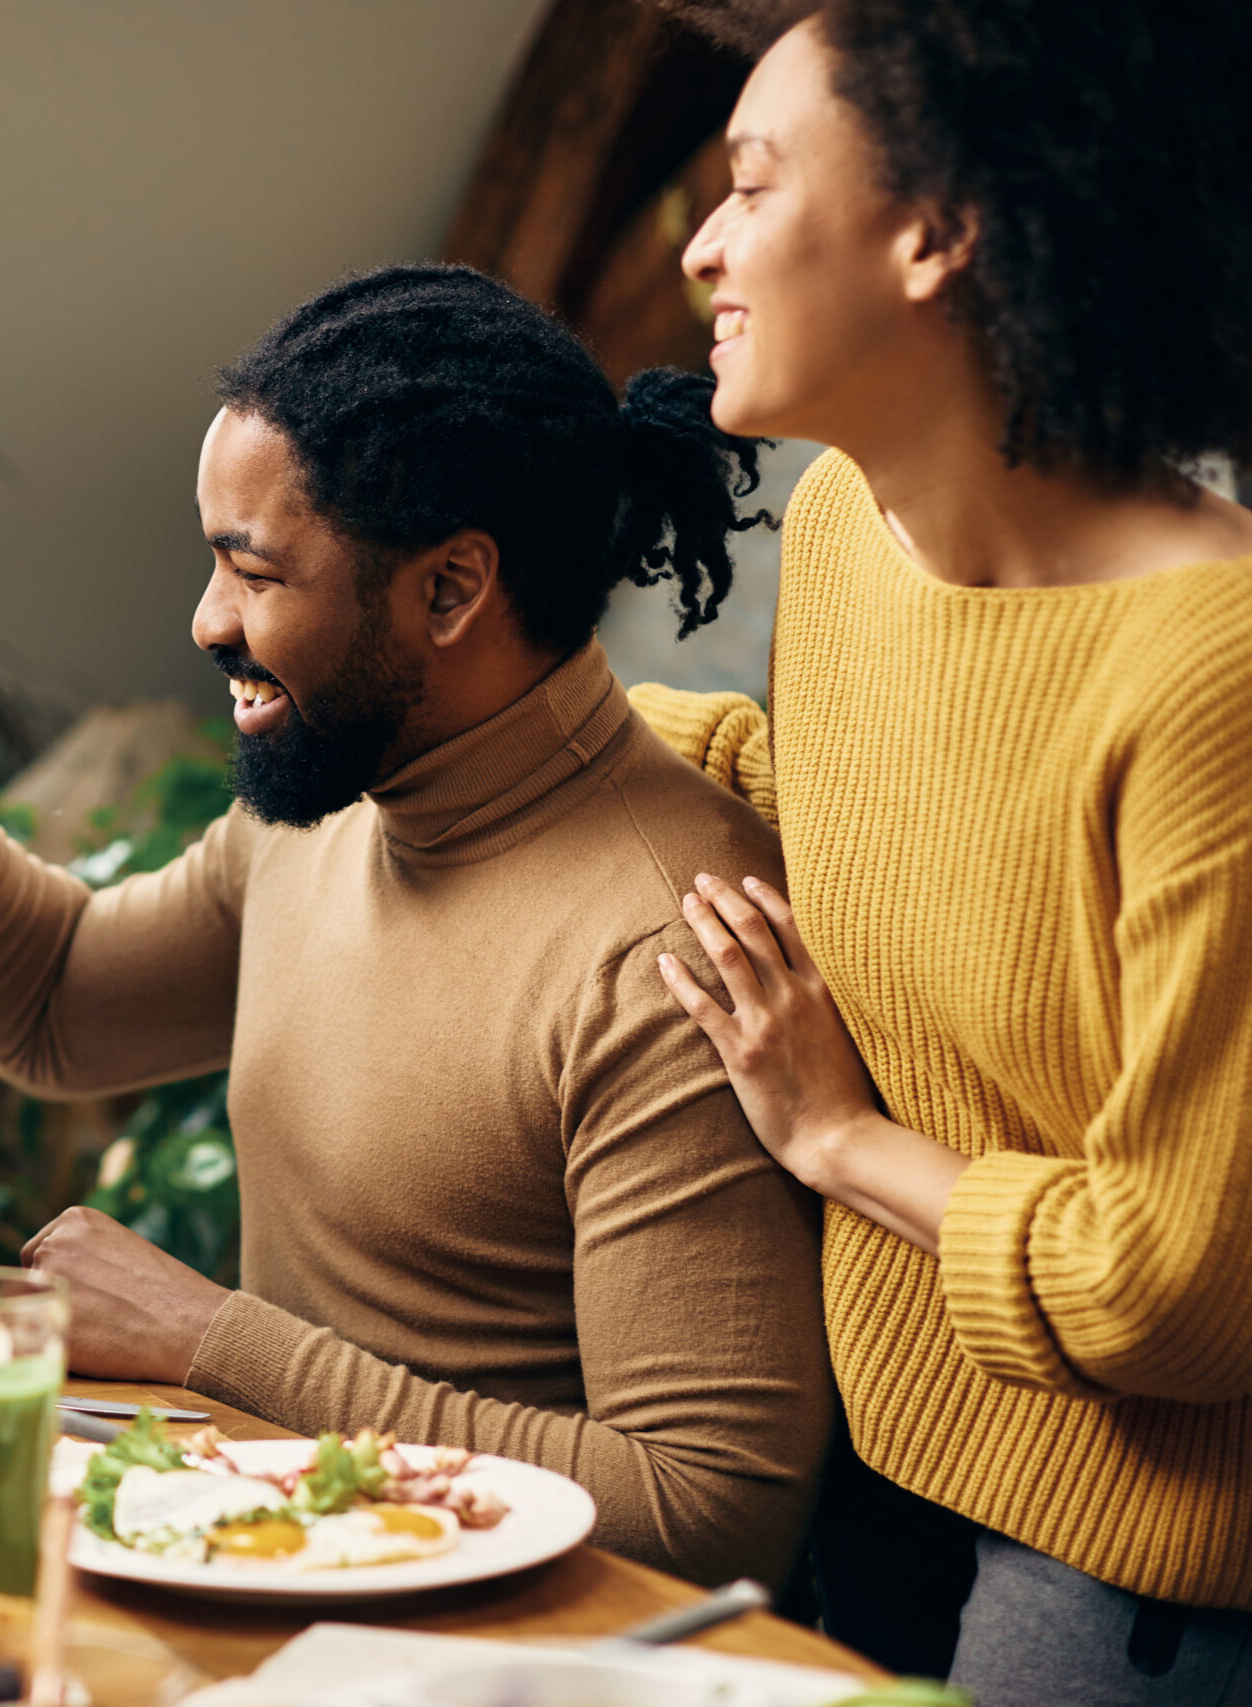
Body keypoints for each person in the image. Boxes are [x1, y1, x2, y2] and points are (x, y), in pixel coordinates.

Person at [0, 268, 834, 1586]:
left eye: (255, 571)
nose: (206, 620)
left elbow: (701, 1510)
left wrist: (213, 1340)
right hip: (284, 1601)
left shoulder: (665, 951)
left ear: (452, 588)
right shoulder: (332, 804)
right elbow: (54, 998)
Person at [628, 3, 1252, 1697]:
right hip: (877, 1455)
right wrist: (509, 722)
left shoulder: (1215, 677)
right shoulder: (845, 526)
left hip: (1133, 1562)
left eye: (754, 186)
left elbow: (1183, 1283)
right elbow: (863, 798)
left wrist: (833, 1136)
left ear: (940, 229)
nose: (700, 248)